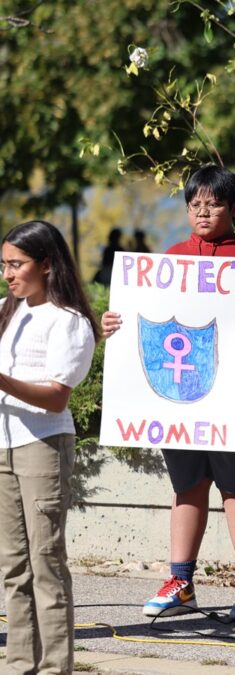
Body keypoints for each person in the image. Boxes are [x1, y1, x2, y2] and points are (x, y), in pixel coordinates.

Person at [102, 165, 235, 622]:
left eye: (214, 203)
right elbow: (150, 316)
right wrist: (115, 324)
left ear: (234, 208)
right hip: (177, 396)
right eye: (194, 203)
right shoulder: (173, 256)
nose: (202, 211)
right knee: (186, 487)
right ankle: (180, 581)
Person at [0, 220, 98, 675]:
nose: (8, 274)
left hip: (42, 441)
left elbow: (57, 395)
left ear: (46, 264)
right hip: (4, 444)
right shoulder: (9, 311)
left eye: (16, 264)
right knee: (13, 566)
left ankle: (55, 667)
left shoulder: (70, 322)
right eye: (4, 265)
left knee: (45, 561)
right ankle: (20, 664)